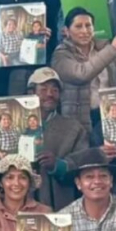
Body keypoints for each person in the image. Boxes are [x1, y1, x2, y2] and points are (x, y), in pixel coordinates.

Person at [52, 7, 116, 131]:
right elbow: (81, 74)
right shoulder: (61, 55)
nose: (85, 31)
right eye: (78, 26)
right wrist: (113, 48)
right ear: (66, 31)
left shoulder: (106, 48)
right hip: (79, 121)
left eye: (88, 26)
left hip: (112, 114)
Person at [24, 68, 89, 210]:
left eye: (55, 90)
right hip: (20, 206)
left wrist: (57, 165)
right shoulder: (15, 126)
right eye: (43, 89)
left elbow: (83, 165)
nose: (50, 94)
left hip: (60, 206)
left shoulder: (74, 128)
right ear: (31, 92)